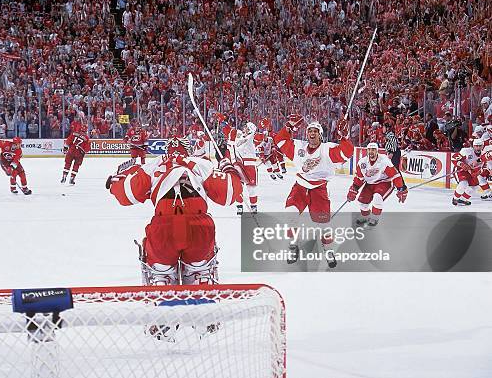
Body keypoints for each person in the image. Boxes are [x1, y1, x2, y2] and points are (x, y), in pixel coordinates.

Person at [105, 137, 242, 340]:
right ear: (188, 150)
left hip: (163, 226)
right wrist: (229, 168)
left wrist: (115, 182)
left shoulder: (154, 165)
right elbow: (231, 193)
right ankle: (205, 318)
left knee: (161, 274)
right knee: (200, 271)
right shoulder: (201, 163)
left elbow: (127, 194)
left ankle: (163, 320)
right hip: (199, 226)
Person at [273, 116, 353, 266]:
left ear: (320, 135)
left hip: (319, 189)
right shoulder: (299, 147)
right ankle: (293, 245)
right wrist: (288, 126)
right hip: (300, 187)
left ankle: (328, 249)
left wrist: (345, 137)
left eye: (316, 131)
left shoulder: (326, 149)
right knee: (290, 214)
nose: (312, 133)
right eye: (310, 130)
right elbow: (280, 141)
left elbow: (346, 153)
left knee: (323, 224)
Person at [347, 143, 408, 226]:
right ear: (367, 151)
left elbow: (395, 175)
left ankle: (374, 218)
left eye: (373, 149)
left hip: (384, 182)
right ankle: (365, 217)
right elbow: (359, 178)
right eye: (369, 149)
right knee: (362, 202)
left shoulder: (384, 160)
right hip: (370, 184)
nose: (371, 152)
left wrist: (401, 188)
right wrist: (354, 188)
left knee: (377, 198)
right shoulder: (362, 163)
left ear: (377, 151)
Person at [451, 138, 488, 205]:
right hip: (463, 171)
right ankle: (455, 199)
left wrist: (479, 172)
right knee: (463, 184)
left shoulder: (484, 154)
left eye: (480, 146)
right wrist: (462, 164)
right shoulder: (466, 151)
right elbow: (454, 157)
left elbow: (485, 166)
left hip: (474, 172)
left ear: (482, 146)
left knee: (474, 187)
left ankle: (462, 200)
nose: (478, 147)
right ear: (473, 146)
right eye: (476, 146)